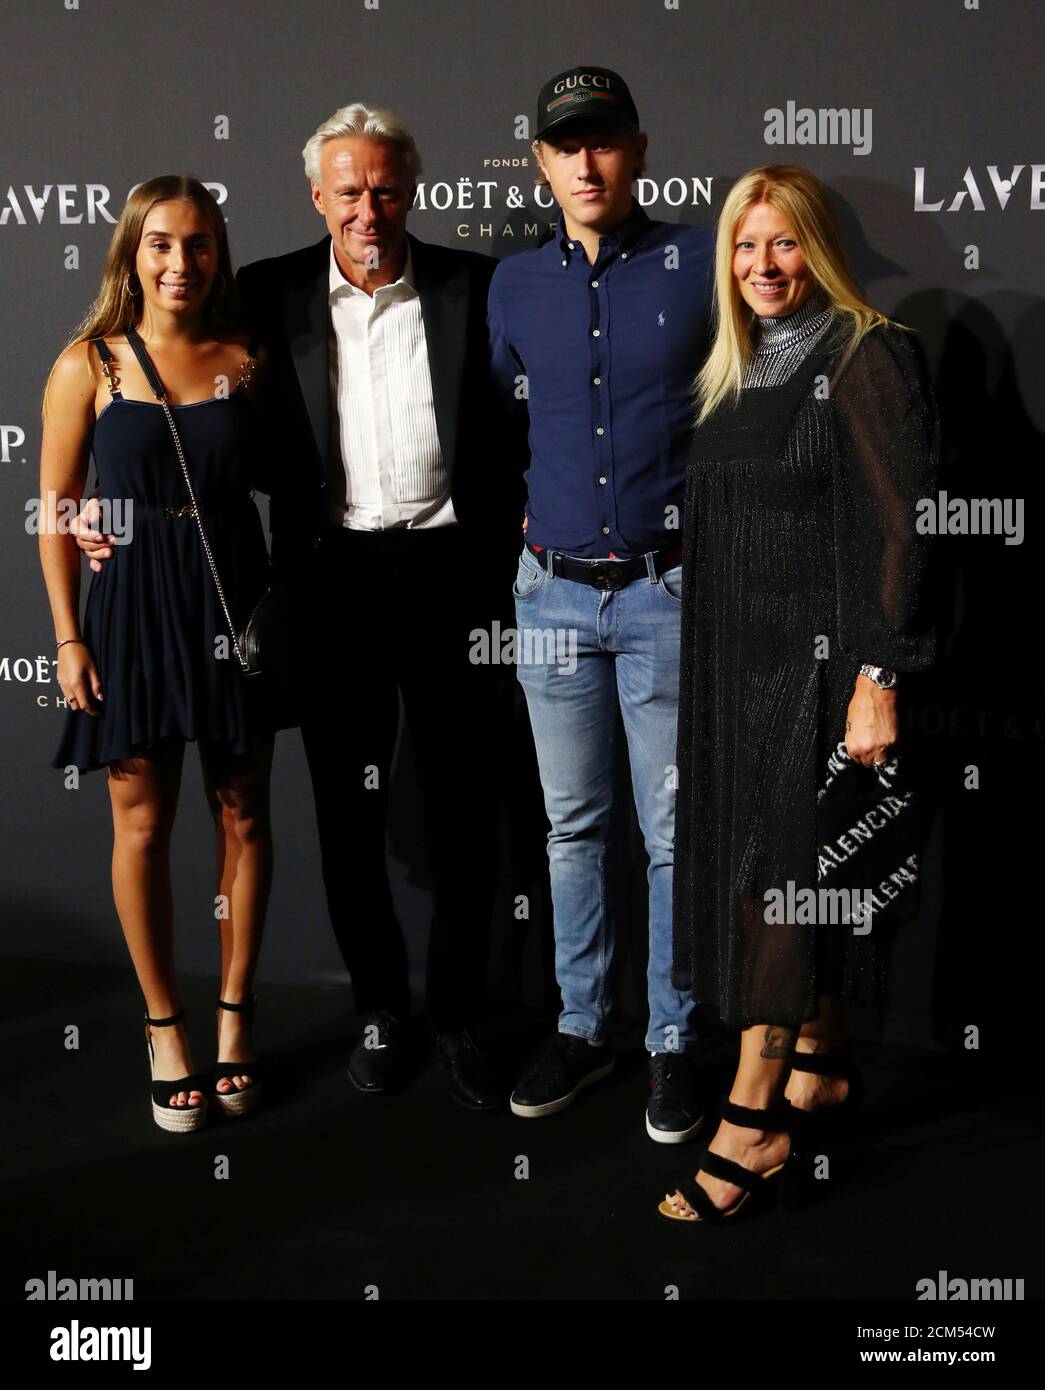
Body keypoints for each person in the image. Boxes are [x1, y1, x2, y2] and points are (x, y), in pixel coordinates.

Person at [75, 106, 528, 1109]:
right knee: (346, 813)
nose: (368, 209)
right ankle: (380, 1008)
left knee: (464, 812)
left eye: (385, 188)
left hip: (457, 580)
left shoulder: (477, 287)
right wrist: (90, 514)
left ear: (411, 189)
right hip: (329, 585)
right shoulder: (268, 296)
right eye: (348, 191)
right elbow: (170, 397)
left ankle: (457, 1012)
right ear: (318, 197)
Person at [658, 165, 938, 1223]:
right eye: (743, 246)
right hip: (736, 671)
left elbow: (902, 528)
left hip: (822, 674)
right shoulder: (734, 368)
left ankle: (751, 1118)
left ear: (814, 248)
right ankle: (817, 1060)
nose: (761, 267)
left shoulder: (870, 354)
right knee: (764, 872)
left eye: (781, 245)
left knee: (775, 884)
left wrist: (879, 676)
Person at [488, 66, 714, 1139]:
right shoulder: (511, 286)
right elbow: (496, 437)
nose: (584, 162)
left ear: (638, 147)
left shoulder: (701, 262)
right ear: (539, 161)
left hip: (669, 595)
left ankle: (673, 1040)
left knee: (671, 836)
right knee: (574, 828)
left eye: (604, 140)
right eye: (563, 144)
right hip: (549, 600)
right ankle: (584, 1027)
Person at [40, 175, 278, 1132]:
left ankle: (233, 1020)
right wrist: (66, 637)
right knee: (141, 826)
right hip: (133, 608)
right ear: (132, 253)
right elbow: (56, 510)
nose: (181, 264)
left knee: (245, 820)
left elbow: (288, 473)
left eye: (201, 245)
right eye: (162, 245)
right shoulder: (87, 363)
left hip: (234, 597)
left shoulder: (251, 355)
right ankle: (163, 1026)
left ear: (219, 255)